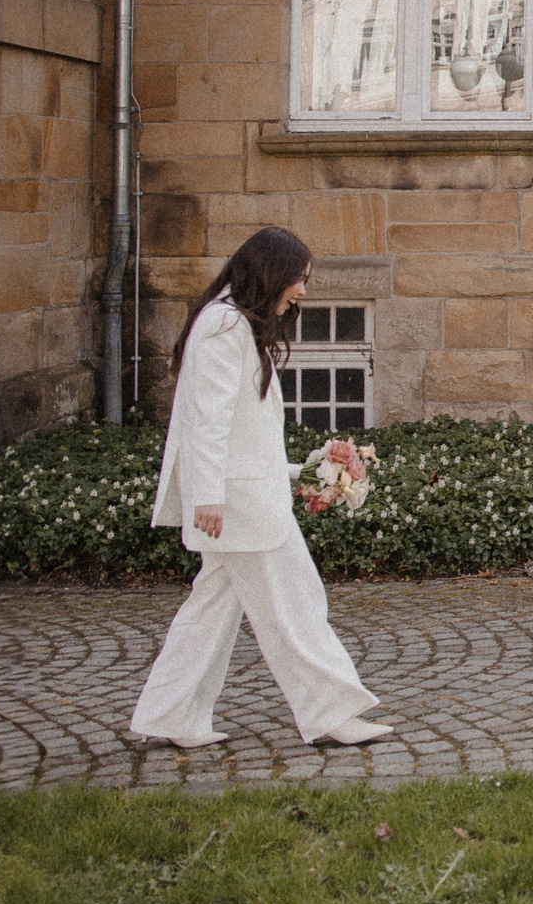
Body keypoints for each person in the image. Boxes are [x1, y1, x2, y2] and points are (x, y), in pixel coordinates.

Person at [132, 226, 392, 748]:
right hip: (238, 506)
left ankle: (169, 717)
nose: (303, 291)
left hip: (244, 495)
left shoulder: (230, 322)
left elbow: (244, 429)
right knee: (296, 603)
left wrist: (304, 471)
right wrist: (207, 495)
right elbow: (208, 420)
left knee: (210, 612)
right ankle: (331, 713)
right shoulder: (225, 325)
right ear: (272, 272)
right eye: (299, 279)